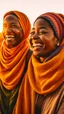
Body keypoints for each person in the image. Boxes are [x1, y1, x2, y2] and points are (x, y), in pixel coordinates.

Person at [19, 12, 64, 114]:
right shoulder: (31, 70)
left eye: (42, 32)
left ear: (58, 39)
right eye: (32, 32)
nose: (34, 36)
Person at [0, 10, 32, 114]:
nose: (8, 31)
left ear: (25, 30)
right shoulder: (0, 54)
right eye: (4, 26)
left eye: (14, 26)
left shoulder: (31, 56)